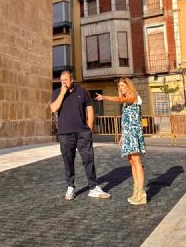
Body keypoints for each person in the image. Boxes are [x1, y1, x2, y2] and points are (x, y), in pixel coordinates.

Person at [50, 70, 110, 201]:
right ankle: (70, 187)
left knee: (88, 159)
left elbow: (90, 108)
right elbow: (54, 108)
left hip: (82, 132)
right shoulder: (56, 93)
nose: (64, 82)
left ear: (71, 79)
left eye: (66, 80)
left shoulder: (82, 91)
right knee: (68, 160)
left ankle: (93, 187)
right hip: (65, 134)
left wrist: (89, 127)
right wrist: (62, 93)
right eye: (62, 80)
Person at [95, 78, 146, 205]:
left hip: (134, 133)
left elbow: (120, 99)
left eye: (123, 85)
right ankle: (136, 191)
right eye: (119, 86)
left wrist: (104, 97)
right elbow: (126, 120)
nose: (121, 88)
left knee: (137, 161)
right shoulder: (125, 102)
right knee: (132, 162)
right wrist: (123, 136)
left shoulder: (133, 97)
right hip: (128, 133)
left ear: (129, 86)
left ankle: (141, 192)